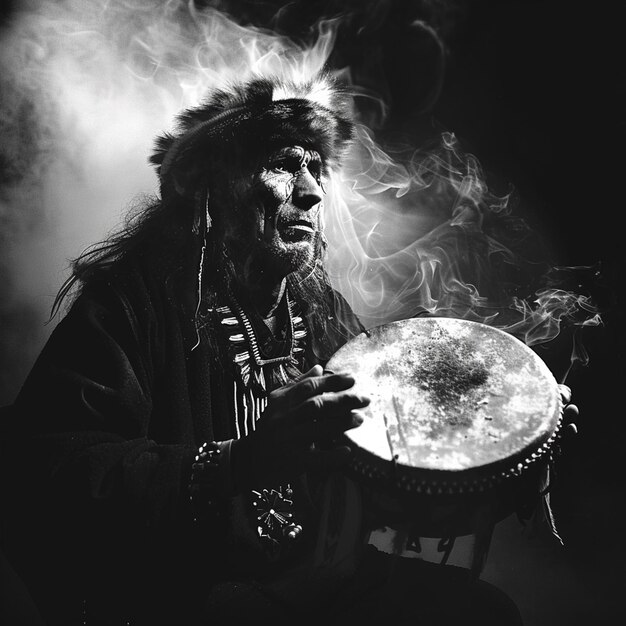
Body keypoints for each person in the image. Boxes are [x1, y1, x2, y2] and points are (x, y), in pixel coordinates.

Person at [0, 71, 577, 626]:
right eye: (283, 165)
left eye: (316, 168)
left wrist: (503, 456)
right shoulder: (133, 303)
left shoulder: (318, 311)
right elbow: (47, 477)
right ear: (214, 187)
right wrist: (238, 462)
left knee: (478, 614)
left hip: (318, 583)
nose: (310, 190)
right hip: (190, 597)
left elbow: (386, 471)